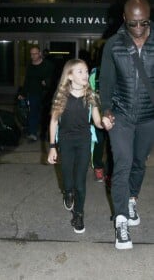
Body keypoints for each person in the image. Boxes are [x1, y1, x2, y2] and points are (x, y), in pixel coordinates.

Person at [99, 0, 154, 250]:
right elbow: (106, 82)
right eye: (134, 24)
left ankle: (132, 198)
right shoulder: (114, 45)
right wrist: (105, 110)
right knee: (121, 164)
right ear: (124, 19)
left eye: (144, 22)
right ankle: (120, 220)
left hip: (148, 117)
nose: (140, 28)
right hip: (121, 115)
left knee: (138, 163)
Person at [47, 59, 108, 234]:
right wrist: (52, 146)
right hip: (65, 141)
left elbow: (96, 121)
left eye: (86, 71)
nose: (85, 75)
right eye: (80, 71)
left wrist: (104, 122)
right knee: (68, 179)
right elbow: (53, 121)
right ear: (70, 75)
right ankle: (68, 192)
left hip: (83, 142)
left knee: (80, 182)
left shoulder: (91, 96)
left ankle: (79, 214)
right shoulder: (62, 96)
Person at [18, 46, 54, 142]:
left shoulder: (48, 65)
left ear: (40, 54)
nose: (33, 56)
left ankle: (47, 133)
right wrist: (23, 93)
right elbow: (27, 81)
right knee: (33, 112)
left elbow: (53, 78)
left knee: (45, 114)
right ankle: (33, 133)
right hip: (33, 93)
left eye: (35, 53)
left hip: (46, 94)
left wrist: (46, 82)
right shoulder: (30, 66)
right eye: (31, 54)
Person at [89, 63, 113, 184]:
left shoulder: (121, 69)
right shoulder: (95, 73)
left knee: (112, 145)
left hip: (115, 114)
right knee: (99, 142)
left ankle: (110, 172)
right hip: (98, 113)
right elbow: (90, 92)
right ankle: (98, 167)